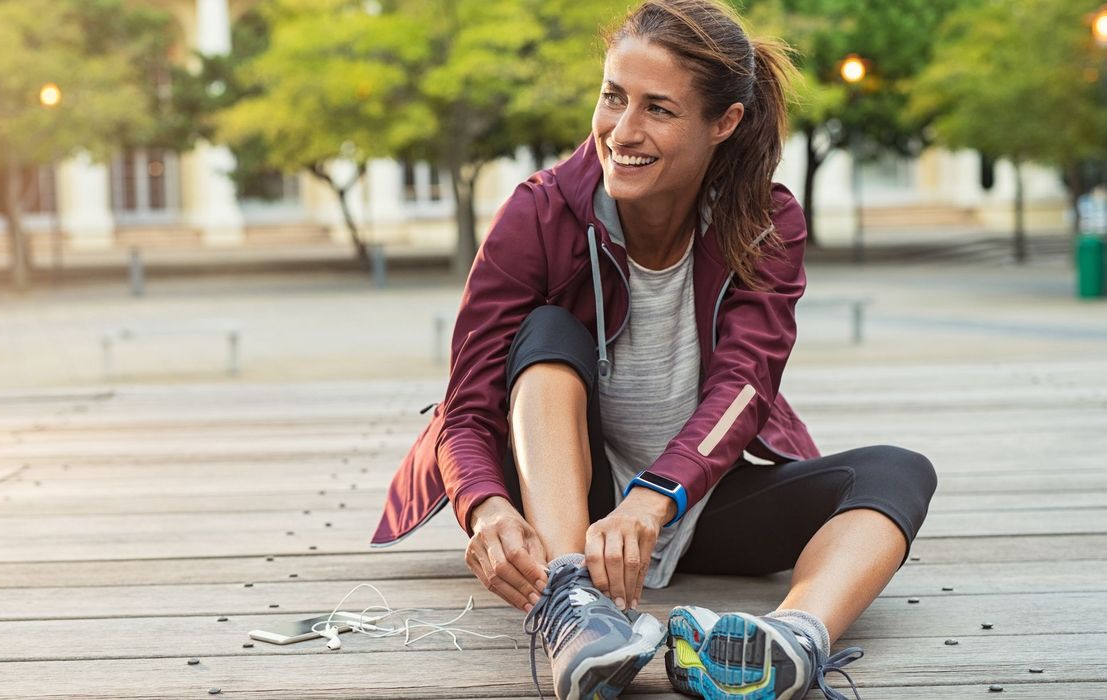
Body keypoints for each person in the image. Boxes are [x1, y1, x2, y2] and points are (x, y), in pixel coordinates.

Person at [372, 1, 937, 698]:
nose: (622, 131)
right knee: (546, 333)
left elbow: (745, 387)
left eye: (658, 110)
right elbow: (466, 408)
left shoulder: (765, 222)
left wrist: (654, 499)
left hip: (693, 500)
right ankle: (574, 605)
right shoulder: (538, 212)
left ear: (722, 123)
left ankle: (792, 642)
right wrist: (486, 509)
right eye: (612, 98)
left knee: (896, 473)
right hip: (568, 508)